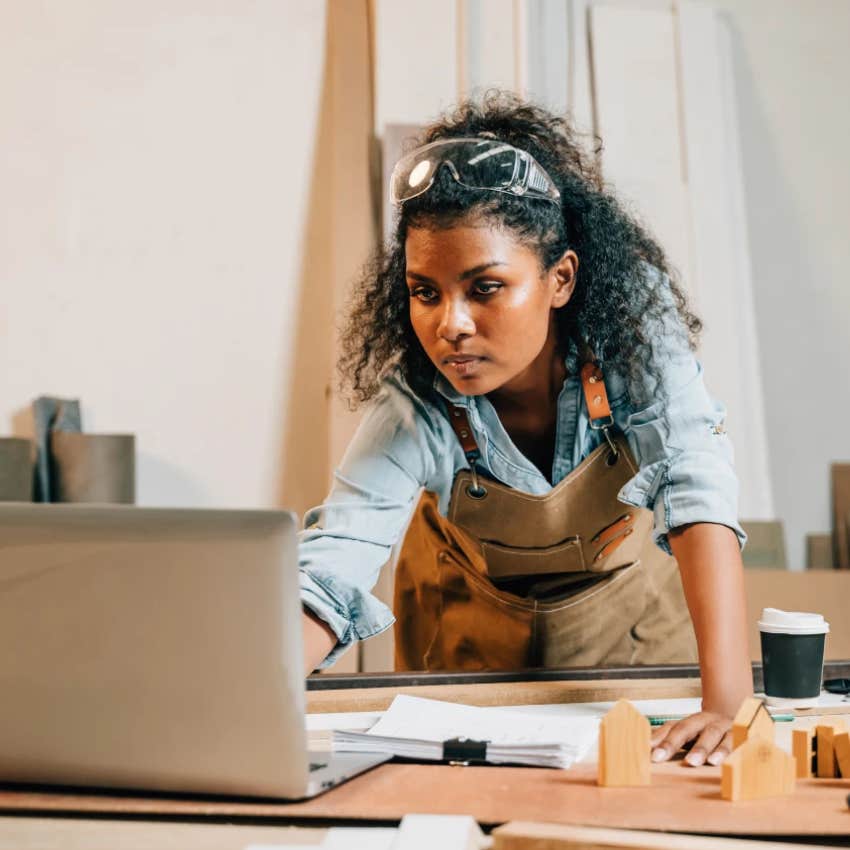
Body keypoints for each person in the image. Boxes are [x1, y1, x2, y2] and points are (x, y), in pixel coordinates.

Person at [299, 93, 753, 767]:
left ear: (561, 278)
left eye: (484, 288)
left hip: (627, 644)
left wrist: (727, 704)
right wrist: (246, 694)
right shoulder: (415, 405)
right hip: (464, 657)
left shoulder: (632, 349)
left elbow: (696, 485)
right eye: (426, 291)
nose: (449, 323)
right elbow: (332, 569)